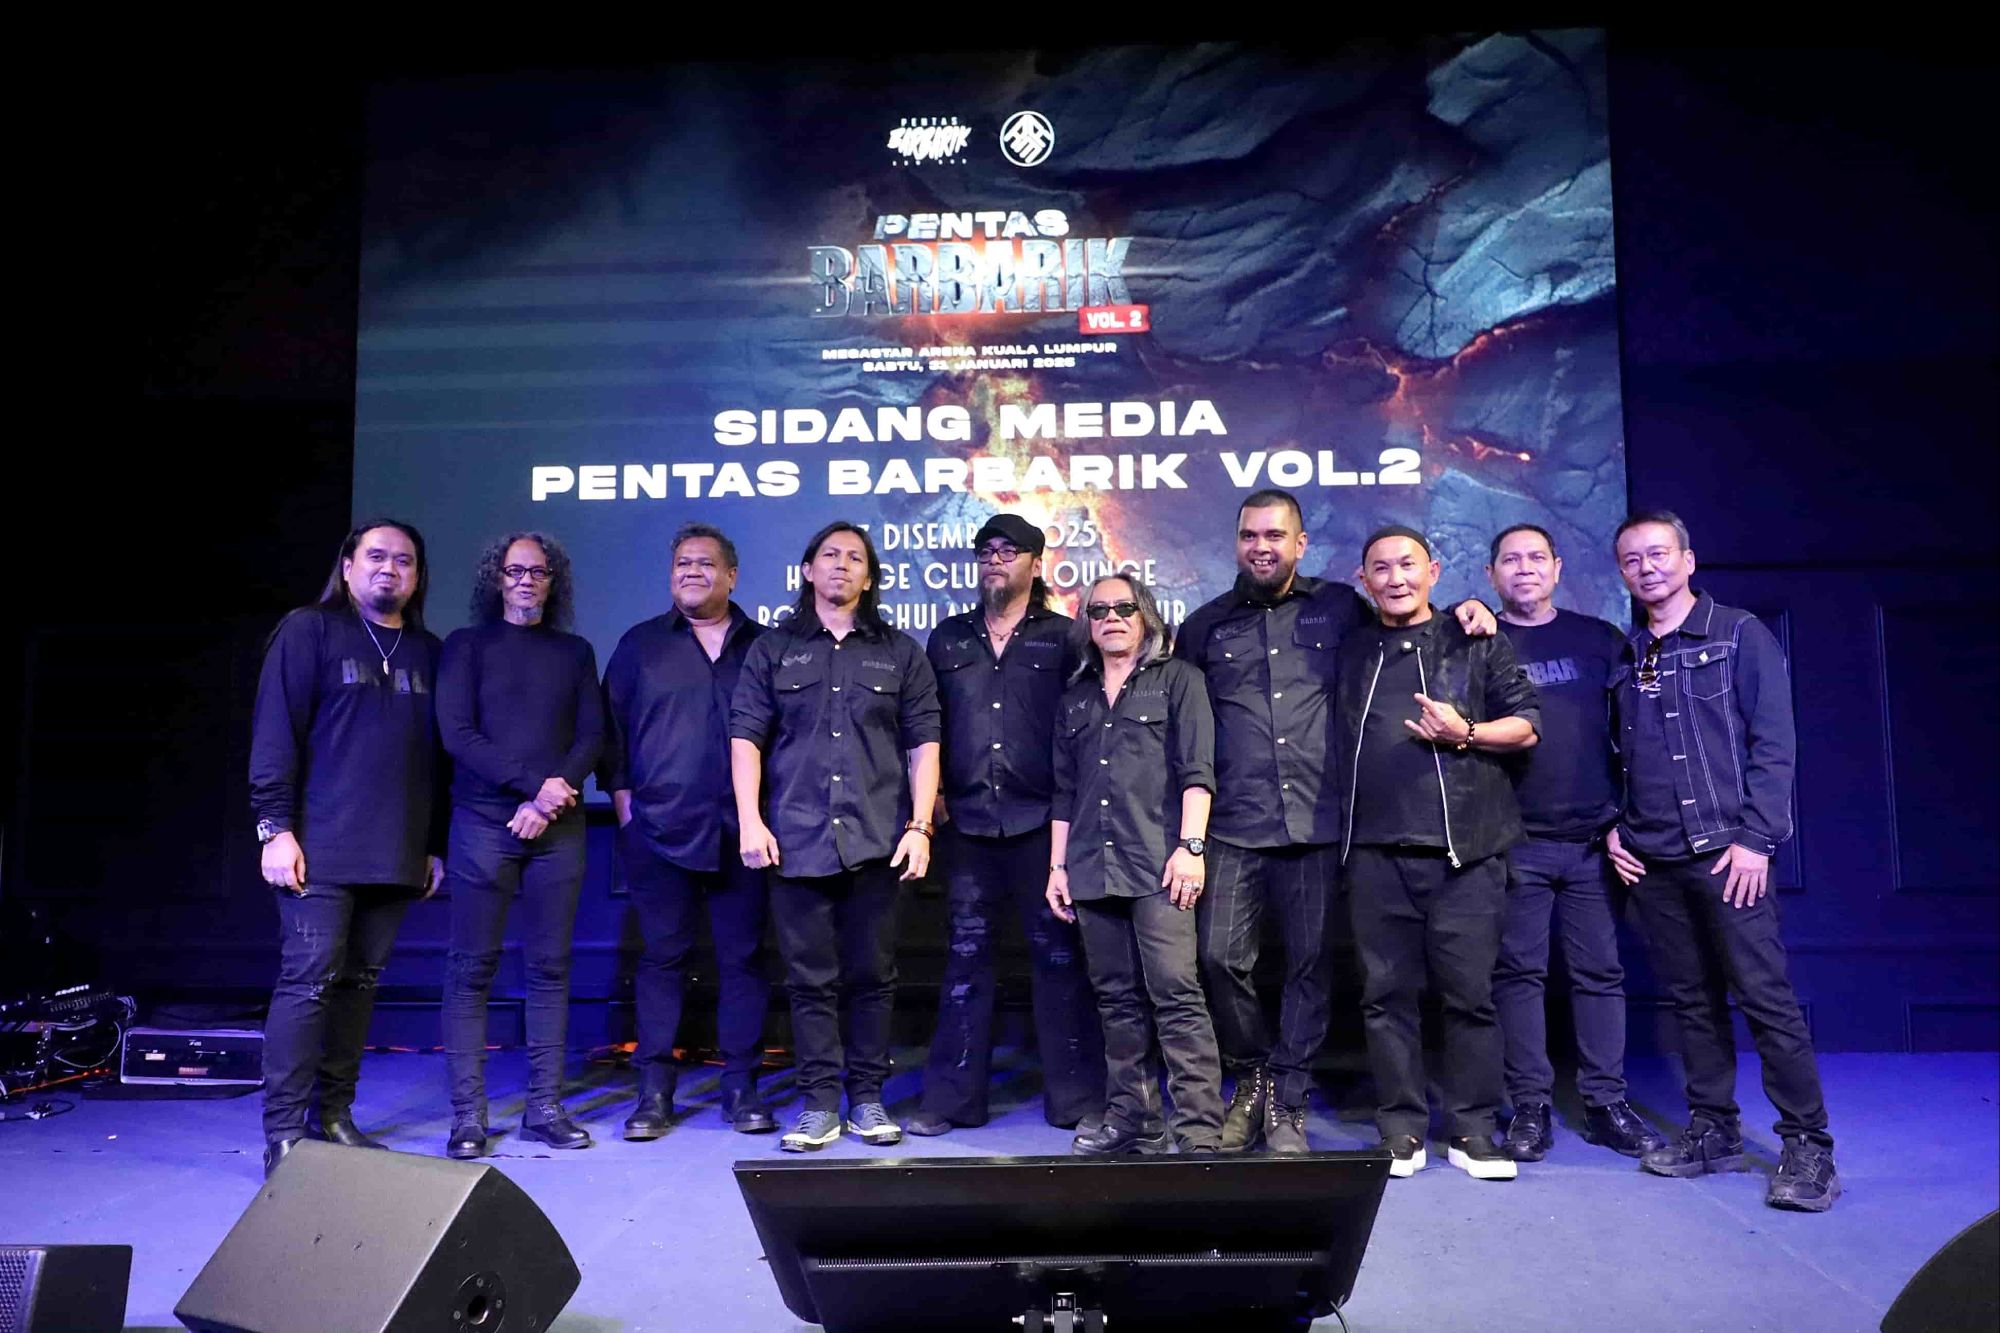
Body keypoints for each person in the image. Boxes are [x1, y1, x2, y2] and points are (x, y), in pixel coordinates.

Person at [1178, 490, 1495, 1152]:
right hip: (1234, 822)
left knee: (1310, 966)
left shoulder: (1340, 608)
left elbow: (1407, 621)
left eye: (1275, 535)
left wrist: (1468, 608)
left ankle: (1288, 1097)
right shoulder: (1204, 626)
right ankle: (1252, 1077)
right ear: (1236, 543)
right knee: (1219, 958)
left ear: (1300, 544)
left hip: (1319, 821)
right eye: (1250, 535)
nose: (1261, 547)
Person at [1607, 511, 1839, 1211]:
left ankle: (1809, 1146)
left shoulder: (1737, 634)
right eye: (1632, 559)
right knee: (1692, 1002)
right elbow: (1618, 755)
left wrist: (1757, 839)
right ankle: (1714, 1131)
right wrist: (1616, 828)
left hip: (1727, 854)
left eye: (1658, 553)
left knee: (1766, 1000)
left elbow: (1775, 744)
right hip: (1652, 859)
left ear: (1688, 560)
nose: (1646, 567)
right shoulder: (1627, 653)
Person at [1335, 525, 1540, 1181]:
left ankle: (1473, 1130)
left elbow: (1527, 724)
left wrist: (1465, 732)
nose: (1395, 578)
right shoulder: (1351, 645)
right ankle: (1400, 1128)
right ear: (1363, 580)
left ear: (1434, 571)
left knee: (1470, 998)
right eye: (1381, 568)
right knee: (1385, 997)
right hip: (1374, 853)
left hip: (1466, 853)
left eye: (1408, 565)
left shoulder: (1472, 636)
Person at [730, 521, 941, 1152]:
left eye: (854, 558)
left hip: (880, 841)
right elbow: (746, 739)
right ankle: (819, 1104)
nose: (841, 565)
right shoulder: (773, 650)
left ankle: (868, 1099)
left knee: (874, 975)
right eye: (829, 555)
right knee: (809, 980)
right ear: (807, 571)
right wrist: (750, 820)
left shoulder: (900, 652)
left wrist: (921, 826)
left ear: (870, 577)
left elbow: (924, 745)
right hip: (795, 841)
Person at [249, 519, 446, 1177]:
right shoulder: (309, 629)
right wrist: (274, 828)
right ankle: (284, 1133)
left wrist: (432, 845)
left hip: (396, 852)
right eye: (377, 556)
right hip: (318, 848)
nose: (390, 569)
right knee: (308, 983)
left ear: (417, 576)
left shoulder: (429, 651)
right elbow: (275, 732)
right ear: (348, 565)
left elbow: (437, 762)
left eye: (404, 561)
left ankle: (334, 1115)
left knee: (360, 986)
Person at [906, 515, 1104, 1138]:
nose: (996, 559)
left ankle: (1075, 1100)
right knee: (965, 962)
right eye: (987, 550)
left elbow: (1085, 723)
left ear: (1036, 565)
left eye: (1010, 550)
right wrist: (933, 800)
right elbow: (926, 726)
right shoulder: (948, 638)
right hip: (967, 826)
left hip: (1043, 825)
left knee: (1059, 961)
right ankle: (951, 1102)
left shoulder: (1065, 638)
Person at [1485, 524, 1664, 1161]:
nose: (1524, 569)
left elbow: (1632, 734)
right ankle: (1530, 1106)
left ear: (1557, 569)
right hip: (1515, 840)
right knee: (1518, 974)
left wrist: (1626, 819)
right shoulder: (1477, 639)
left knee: (1600, 974)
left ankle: (1606, 1103)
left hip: (1594, 840)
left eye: (1536, 558)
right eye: (1511, 560)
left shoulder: (1599, 640)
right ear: (1491, 574)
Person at [601, 522, 776, 1138]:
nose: (692, 572)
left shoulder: (767, 647)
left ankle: (742, 1089)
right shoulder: (640, 645)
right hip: (657, 833)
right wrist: (626, 810)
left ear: (732, 576)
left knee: (744, 961)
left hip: (744, 835)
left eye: (705, 563)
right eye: (682, 564)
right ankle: (653, 1093)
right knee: (661, 960)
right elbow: (611, 736)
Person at [436, 532, 603, 1158]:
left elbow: (592, 736)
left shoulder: (575, 652)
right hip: (483, 826)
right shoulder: (466, 646)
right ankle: (468, 1118)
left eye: (538, 571)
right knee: (470, 970)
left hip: (557, 831)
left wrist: (548, 801)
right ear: (497, 579)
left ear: (553, 581)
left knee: (550, 969)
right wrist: (535, 788)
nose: (526, 580)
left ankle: (545, 1108)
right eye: (514, 571)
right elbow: (457, 734)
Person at [1048, 574, 1225, 1155]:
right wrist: (1057, 868)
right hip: (1090, 866)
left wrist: (1192, 848)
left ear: (1145, 615)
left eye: (1124, 608)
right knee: (1117, 1001)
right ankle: (1135, 1121)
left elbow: (1198, 772)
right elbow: (1063, 792)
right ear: (1088, 625)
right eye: (1099, 611)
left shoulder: (1180, 680)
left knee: (1176, 994)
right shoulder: (1074, 698)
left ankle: (1199, 1130)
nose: (1112, 618)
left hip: (1160, 865)